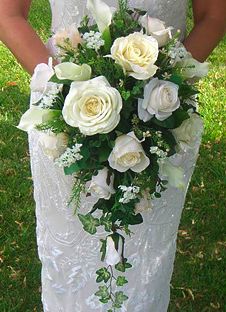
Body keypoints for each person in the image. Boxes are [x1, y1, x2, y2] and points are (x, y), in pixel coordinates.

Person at [0, 1, 225, 311]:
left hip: (161, 115)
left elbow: (214, 15)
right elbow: (7, 12)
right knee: (68, 255)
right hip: (62, 113)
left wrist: (165, 87)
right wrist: (64, 90)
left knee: (144, 262)